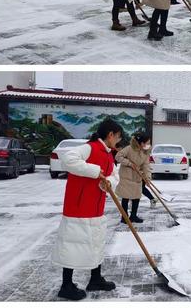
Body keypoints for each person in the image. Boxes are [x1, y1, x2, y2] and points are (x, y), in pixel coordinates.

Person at [52, 119, 123, 301]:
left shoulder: (108, 154)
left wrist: (108, 183)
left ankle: (95, 279)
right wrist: (94, 171)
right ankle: (66, 285)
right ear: (110, 134)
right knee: (73, 244)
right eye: (118, 137)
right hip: (78, 207)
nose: (118, 141)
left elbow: (114, 176)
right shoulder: (89, 148)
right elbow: (68, 159)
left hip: (96, 208)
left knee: (95, 242)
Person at [115, 132, 152, 223]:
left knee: (136, 196)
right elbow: (118, 157)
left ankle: (133, 216)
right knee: (126, 196)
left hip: (137, 177)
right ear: (141, 143)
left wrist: (147, 178)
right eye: (147, 143)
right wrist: (130, 164)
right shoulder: (129, 149)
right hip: (126, 176)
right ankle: (124, 217)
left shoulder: (145, 152)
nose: (148, 145)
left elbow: (146, 166)